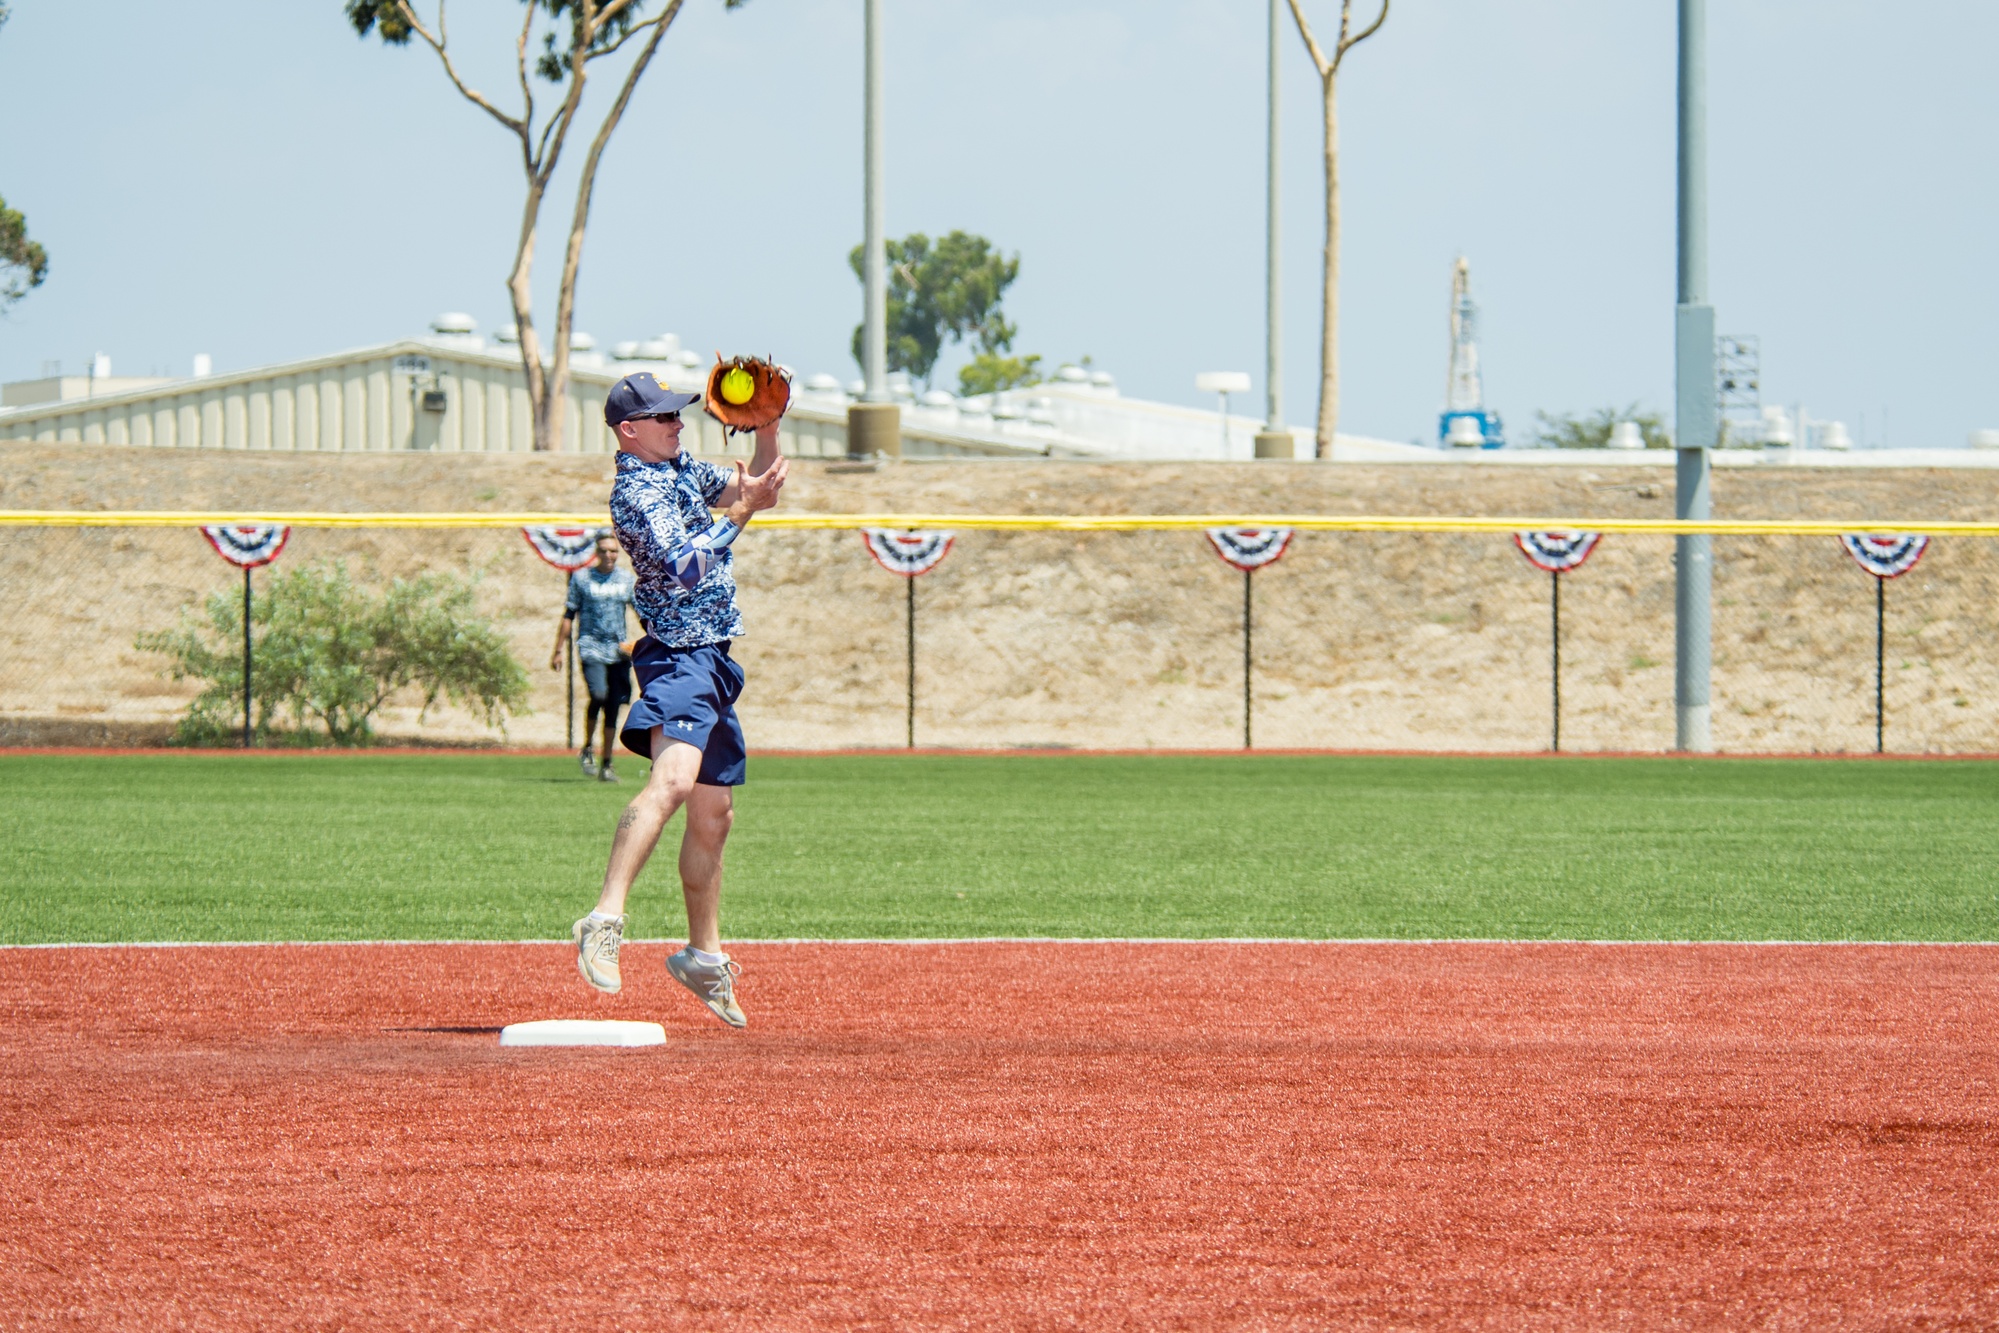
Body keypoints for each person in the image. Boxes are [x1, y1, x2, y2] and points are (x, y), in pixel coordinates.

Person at [571, 371, 788, 1028]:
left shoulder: (678, 469)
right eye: (663, 417)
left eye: (677, 414)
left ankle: (702, 955)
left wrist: (768, 422)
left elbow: (757, 488)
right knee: (673, 780)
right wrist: (741, 514)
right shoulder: (635, 492)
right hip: (677, 654)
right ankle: (604, 917)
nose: (677, 423)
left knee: (713, 814)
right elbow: (688, 565)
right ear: (627, 430)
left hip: (714, 659)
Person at [550, 533, 637, 782]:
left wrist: (650, 642)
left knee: (613, 706)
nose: (609, 556)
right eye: (604, 551)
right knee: (598, 694)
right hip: (591, 646)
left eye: (613, 551)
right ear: (596, 553)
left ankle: (606, 764)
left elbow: (640, 613)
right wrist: (558, 649)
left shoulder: (626, 579)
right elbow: (569, 614)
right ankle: (588, 747)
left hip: (618, 651)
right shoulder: (582, 578)